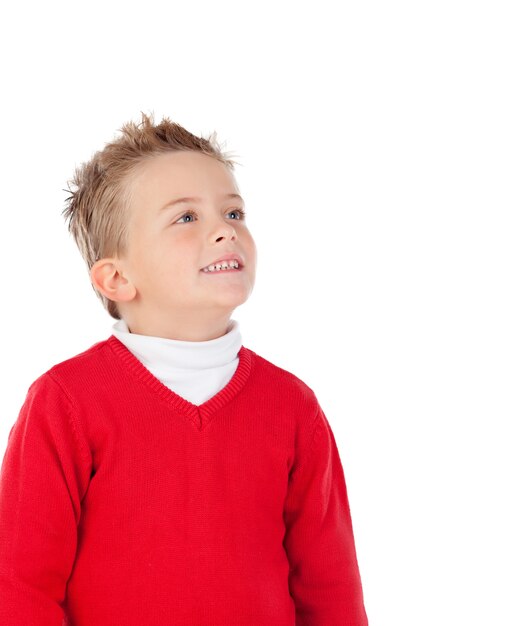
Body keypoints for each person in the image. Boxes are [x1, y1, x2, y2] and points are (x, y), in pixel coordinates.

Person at [0, 112, 368, 625]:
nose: (225, 231)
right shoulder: (65, 401)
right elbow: (19, 587)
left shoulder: (292, 406)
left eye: (234, 213)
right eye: (187, 218)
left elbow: (332, 590)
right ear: (117, 278)